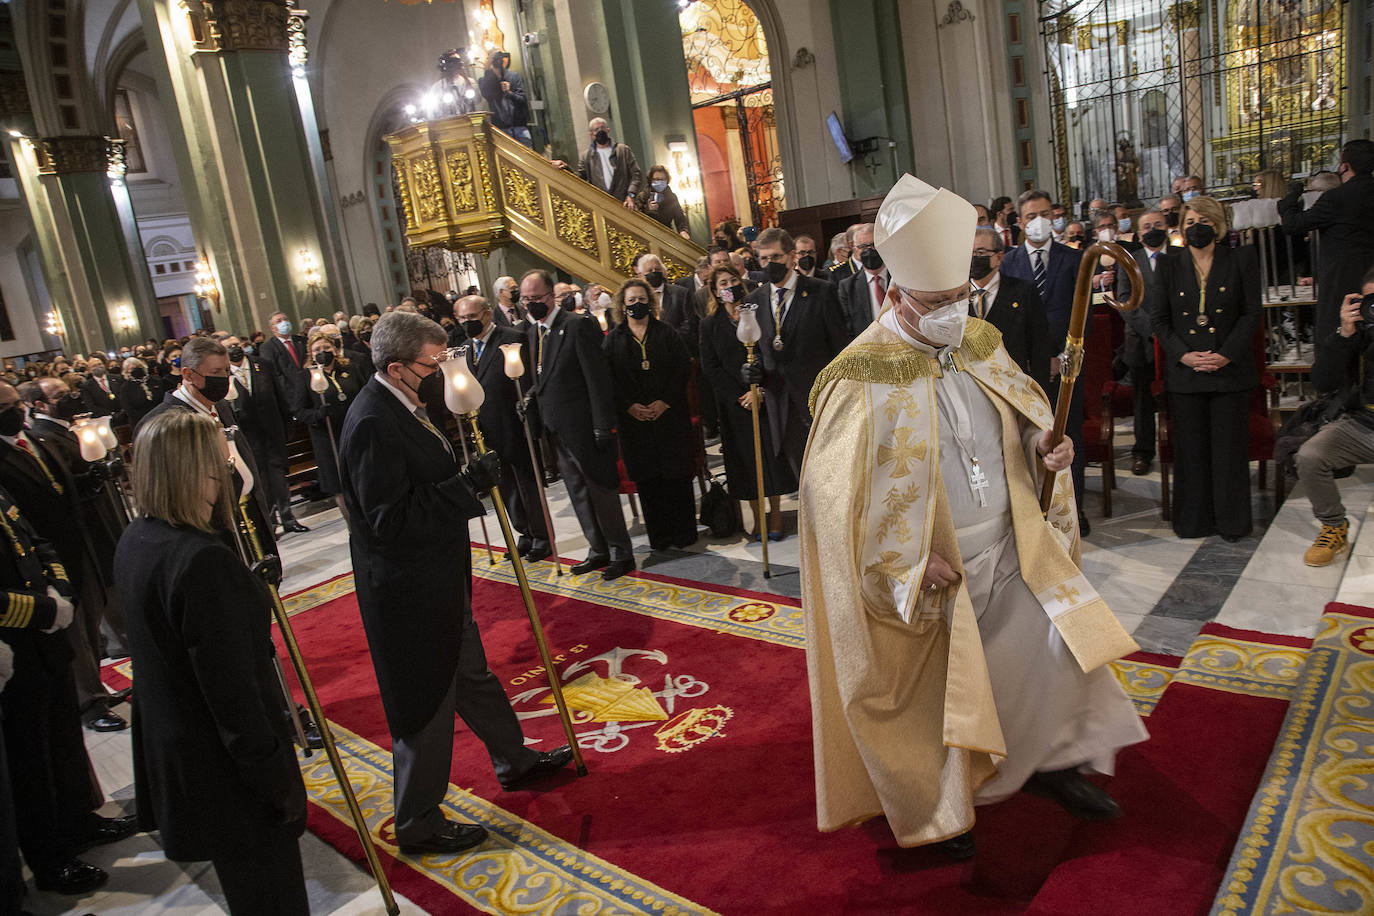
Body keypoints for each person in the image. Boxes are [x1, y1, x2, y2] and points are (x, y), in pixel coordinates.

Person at [800, 173, 1147, 859]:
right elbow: (830, 497)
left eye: (961, 294)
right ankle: (934, 808)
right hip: (936, 567)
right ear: (893, 294)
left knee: (1050, 659)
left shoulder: (981, 340)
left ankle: (1052, 765)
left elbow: (1017, 423)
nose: (954, 310)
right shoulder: (859, 374)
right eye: (937, 301)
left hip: (1011, 544)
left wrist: (1043, 447)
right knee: (937, 697)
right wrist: (898, 561)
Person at [338, 311, 573, 856]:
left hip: (436, 576)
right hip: (407, 591)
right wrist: (462, 488)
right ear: (397, 367)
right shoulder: (374, 418)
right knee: (428, 699)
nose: (443, 371)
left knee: (470, 672)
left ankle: (515, 759)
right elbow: (384, 519)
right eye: (433, 362)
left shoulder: (406, 404)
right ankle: (417, 820)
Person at [116, 411, 308, 914]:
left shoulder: (138, 538)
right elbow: (232, 691)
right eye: (216, 464)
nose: (225, 473)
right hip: (229, 773)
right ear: (188, 471)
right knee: (273, 895)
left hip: (189, 761)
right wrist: (274, 779)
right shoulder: (201, 560)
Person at [0, 481, 134, 897]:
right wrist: (43, 609)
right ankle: (50, 858)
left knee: (63, 739)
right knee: (31, 761)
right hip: (14, 646)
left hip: (47, 636)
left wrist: (61, 589)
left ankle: (79, 821)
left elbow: (36, 539)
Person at [0, 381, 125, 731]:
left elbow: (62, 489)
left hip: (75, 544)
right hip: (44, 559)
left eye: (15, 404)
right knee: (70, 633)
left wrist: (93, 480)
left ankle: (94, 688)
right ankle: (88, 704)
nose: (16, 412)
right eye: (5, 408)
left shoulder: (35, 442)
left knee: (87, 622)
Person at [1148, 195, 1260, 540]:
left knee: (1228, 453)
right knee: (1191, 453)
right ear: (1182, 228)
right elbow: (1159, 320)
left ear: (1219, 225)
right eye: (1191, 222)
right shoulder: (1168, 265)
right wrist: (1183, 355)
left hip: (1229, 371)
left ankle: (1231, 523)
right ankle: (1193, 521)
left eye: (1205, 222)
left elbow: (1251, 314)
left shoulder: (1241, 258)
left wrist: (1226, 354)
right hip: (1186, 373)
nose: (1197, 228)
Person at [521, 270, 635, 579]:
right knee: (578, 494)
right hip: (557, 429)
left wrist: (602, 425)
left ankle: (620, 552)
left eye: (537, 298)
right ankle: (597, 549)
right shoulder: (535, 333)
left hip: (585, 426)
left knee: (601, 491)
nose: (531, 304)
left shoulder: (576, 326)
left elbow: (597, 379)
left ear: (550, 297)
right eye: (526, 300)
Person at [1000, 188, 1091, 532]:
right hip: (1023, 371)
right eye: (1031, 216)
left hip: (1067, 368)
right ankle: (1036, 509)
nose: (1039, 222)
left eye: (1045, 214)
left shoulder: (1074, 259)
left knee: (1068, 437)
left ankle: (1074, 508)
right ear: (1020, 222)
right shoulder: (1008, 261)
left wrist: (1061, 358)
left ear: (1053, 217)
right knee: (1029, 439)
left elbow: (1083, 318)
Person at [437, 295, 551, 561]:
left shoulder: (512, 337)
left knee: (526, 483)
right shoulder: (463, 348)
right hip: (483, 428)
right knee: (504, 484)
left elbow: (526, 381)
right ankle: (523, 532)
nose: (467, 323)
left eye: (472, 317)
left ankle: (541, 535)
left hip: (513, 423)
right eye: (462, 319)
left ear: (487, 314)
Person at [699, 265, 795, 538]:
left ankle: (775, 515)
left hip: (763, 396)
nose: (729, 286)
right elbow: (711, 367)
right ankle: (757, 516)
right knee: (746, 464)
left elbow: (770, 353)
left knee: (769, 461)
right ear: (716, 292)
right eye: (722, 284)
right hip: (735, 405)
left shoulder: (757, 313)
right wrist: (738, 395)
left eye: (732, 280)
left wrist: (759, 390)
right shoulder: (709, 324)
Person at [749, 228, 849, 484]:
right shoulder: (755, 301)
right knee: (804, 479)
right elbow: (758, 351)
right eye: (763, 259)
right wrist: (753, 370)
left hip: (819, 399)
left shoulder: (821, 292)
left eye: (776, 257)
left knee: (833, 477)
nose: (770, 264)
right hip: (781, 404)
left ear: (792, 257)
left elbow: (840, 347)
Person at [603, 280, 697, 550]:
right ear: (622, 305)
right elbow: (608, 380)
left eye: (641, 299)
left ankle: (684, 533)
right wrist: (629, 406)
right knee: (649, 480)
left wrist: (664, 401)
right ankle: (660, 536)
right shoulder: (613, 340)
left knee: (676, 477)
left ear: (651, 302)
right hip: (634, 422)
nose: (636, 304)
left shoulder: (666, 332)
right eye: (631, 300)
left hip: (669, 417)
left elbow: (682, 370)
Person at [1297, 269, 1374, 566]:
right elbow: (1323, 381)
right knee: (1311, 456)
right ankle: (1333, 526)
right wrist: (1344, 333)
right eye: (1370, 300)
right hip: (1361, 423)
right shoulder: (1356, 333)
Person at [1279, 139, 1374, 341]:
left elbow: (1292, 224)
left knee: (1339, 338)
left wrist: (1290, 201)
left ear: (1344, 166)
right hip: (1371, 278)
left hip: (1341, 282)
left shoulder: (1337, 198)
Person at [226, 335, 308, 533]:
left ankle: (288, 517)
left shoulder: (262, 365)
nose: (234, 349)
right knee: (259, 479)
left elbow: (279, 396)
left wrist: (287, 424)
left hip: (271, 431)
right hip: (247, 437)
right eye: (229, 347)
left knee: (278, 476)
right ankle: (269, 521)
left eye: (236, 345)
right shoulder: (224, 374)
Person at [1115, 209, 1168, 475]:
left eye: (1158, 224)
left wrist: (1169, 332)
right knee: (1143, 402)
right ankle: (1143, 452)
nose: (1152, 229)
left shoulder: (1179, 257)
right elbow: (1125, 300)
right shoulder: (1129, 261)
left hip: (1176, 343)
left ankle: (1178, 448)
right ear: (1139, 232)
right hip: (1141, 342)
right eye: (1147, 226)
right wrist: (1154, 329)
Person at [969, 228, 1051, 392]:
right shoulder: (953, 296)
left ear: (998, 257)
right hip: (970, 388)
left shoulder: (1024, 292)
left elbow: (1039, 348)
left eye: (980, 252)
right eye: (969, 252)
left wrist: (1039, 395)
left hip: (1013, 387)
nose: (973, 258)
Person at [291, 328, 361, 516]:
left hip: (355, 431)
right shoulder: (305, 377)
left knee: (362, 478)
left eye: (326, 347)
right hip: (328, 437)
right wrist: (317, 415)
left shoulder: (349, 368)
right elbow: (299, 410)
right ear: (311, 354)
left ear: (334, 348)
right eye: (317, 349)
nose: (322, 352)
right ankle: (353, 527)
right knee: (340, 486)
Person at [837, 223, 890, 339]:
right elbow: (847, 328)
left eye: (874, 245)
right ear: (854, 249)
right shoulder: (847, 287)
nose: (869, 251)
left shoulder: (900, 277)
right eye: (863, 247)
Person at [576, 118, 642, 210]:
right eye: (596, 130)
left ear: (608, 130)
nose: (600, 131)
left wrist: (631, 195)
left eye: (602, 128)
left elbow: (636, 175)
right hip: (602, 206)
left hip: (624, 204)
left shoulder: (623, 150)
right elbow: (579, 179)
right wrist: (565, 167)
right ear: (591, 134)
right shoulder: (586, 157)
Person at [479, 48, 531, 146]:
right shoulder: (485, 81)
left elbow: (522, 99)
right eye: (494, 58)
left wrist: (509, 92)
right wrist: (488, 67)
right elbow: (485, 94)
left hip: (519, 126)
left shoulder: (514, 76)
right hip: (501, 129)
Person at [636, 165, 691, 237]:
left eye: (662, 180)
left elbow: (680, 217)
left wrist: (683, 231)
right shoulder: (642, 196)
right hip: (647, 234)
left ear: (667, 180)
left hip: (667, 234)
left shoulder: (672, 197)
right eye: (656, 179)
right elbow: (636, 217)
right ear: (650, 180)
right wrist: (648, 210)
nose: (659, 182)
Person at [258, 311, 308, 389]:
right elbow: (275, 374)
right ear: (272, 328)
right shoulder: (267, 348)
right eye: (279, 321)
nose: (284, 322)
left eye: (286, 319)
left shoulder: (303, 340)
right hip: (290, 392)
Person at [119, 356, 157, 428]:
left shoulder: (154, 380)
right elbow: (128, 409)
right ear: (127, 371)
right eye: (132, 369)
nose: (135, 370)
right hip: (140, 423)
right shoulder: (125, 387)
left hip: (159, 419)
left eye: (137, 367)